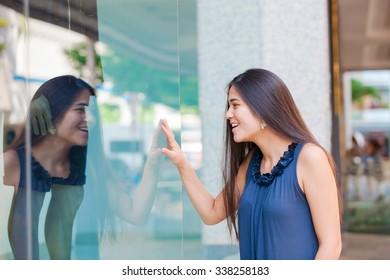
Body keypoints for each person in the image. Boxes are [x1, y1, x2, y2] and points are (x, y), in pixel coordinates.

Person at [161, 68, 342, 260]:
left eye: (235, 105)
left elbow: (331, 245)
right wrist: (182, 164)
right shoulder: (251, 164)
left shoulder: (310, 158)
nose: (228, 114)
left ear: (262, 108)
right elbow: (211, 213)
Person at [2, 75, 162, 259]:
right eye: (81, 110)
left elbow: (136, 214)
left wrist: (153, 164)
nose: (91, 119)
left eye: (93, 110)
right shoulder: (11, 163)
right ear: (53, 112)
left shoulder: (87, 168)